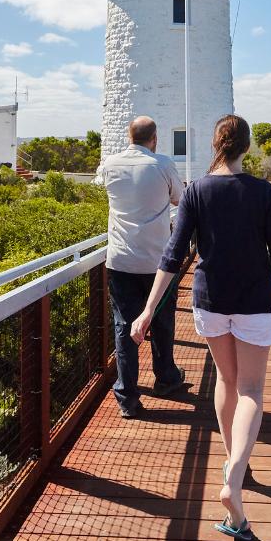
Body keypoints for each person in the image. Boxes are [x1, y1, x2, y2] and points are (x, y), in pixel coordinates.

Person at [131, 114, 271, 541]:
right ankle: (235, 477)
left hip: (210, 301)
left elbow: (172, 255)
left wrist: (148, 309)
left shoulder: (196, 191)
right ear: (246, 146)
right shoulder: (264, 193)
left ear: (215, 145)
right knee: (252, 390)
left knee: (226, 380)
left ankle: (231, 464)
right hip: (254, 300)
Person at [94, 116, 186, 418]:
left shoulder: (110, 164)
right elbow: (179, 200)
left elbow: (101, 185)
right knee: (162, 321)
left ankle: (127, 396)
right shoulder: (162, 164)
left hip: (120, 260)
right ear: (155, 138)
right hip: (158, 262)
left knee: (124, 326)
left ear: (127, 136)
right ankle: (166, 379)